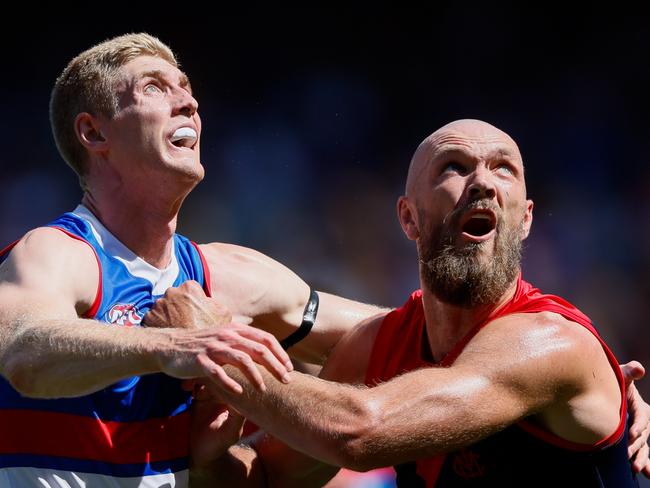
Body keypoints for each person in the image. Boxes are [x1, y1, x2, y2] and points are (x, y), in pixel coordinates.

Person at [151, 119, 650, 486]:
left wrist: (217, 353)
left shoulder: (553, 343)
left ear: (525, 219)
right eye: (454, 168)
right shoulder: (380, 344)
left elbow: (363, 432)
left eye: (504, 169)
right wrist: (209, 455)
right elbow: (260, 479)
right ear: (409, 219)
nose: (482, 182)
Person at [0, 33, 383, 487]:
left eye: (186, 88)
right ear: (94, 133)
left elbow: (383, 338)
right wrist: (177, 348)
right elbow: (23, 351)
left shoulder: (229, 274)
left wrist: (248, 461)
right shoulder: (59, 251)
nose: (188, 103)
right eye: (155, 88)